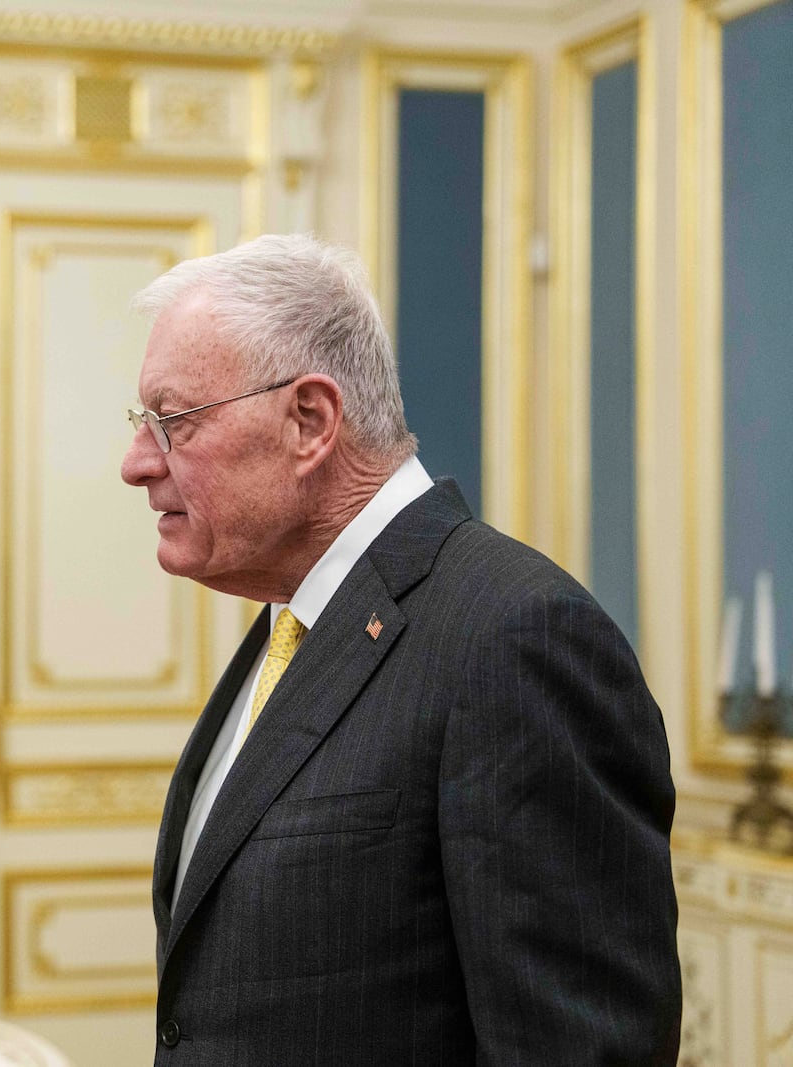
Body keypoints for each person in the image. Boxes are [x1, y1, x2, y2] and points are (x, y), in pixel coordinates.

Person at [121, 234, 680, 1065]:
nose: (137, 463)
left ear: (309, 420)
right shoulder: (292, 620)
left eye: (173, 422)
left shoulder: (516, 638)